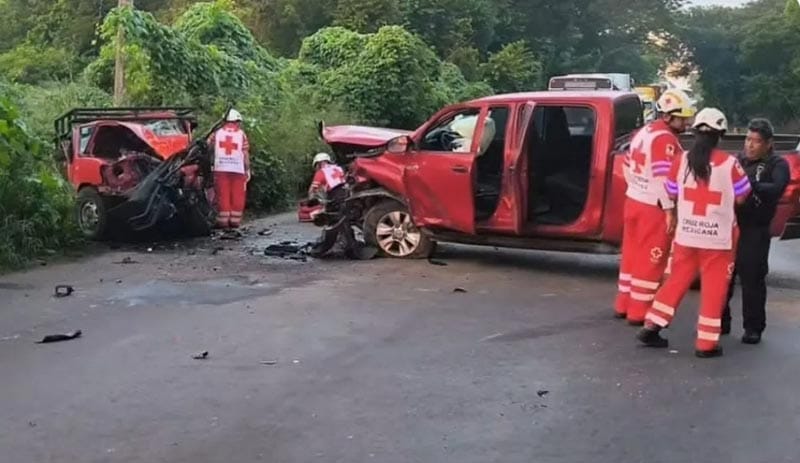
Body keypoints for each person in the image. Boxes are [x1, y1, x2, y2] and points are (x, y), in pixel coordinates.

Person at [637, 108, 751, 358]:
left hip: (686, 235)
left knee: (676, 281)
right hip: (719, 239)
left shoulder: (681, 160)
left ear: (696, 133)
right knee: (714, 289)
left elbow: (670, 191)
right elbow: (743, 196)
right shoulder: (730, 163)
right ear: (720, 135)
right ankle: (706, 344)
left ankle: (652, 325)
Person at [614, 89, 695, 325]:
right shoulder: (665, 140)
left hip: (634, 201)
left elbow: (627, 166)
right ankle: (639, 311)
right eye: (683, 118)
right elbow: (663, 178)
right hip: (653, 208)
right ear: (669, 116)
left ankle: (623, 303)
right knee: (652, 260)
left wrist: (638, 188)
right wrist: (669, 210)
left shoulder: (643, 132)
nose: (687, 123)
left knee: (631, 256)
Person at [723, 119, 789, 344]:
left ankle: (753, 327)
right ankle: (720, 321)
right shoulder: (737, 161)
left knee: (752, 279)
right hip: (731, 226)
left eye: (756, 141)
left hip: (756, 229)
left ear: (768, 143)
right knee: (723, 277)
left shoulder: (776, 164)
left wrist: (748, 184)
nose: (750, 145)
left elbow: (777, 188)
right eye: (748, 139)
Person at [210, 109, 250, 229]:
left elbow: (208, 148)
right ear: (237, 121)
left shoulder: (216, 134)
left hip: (220, 168)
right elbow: (245, 154)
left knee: (222, 195)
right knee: (238, 195)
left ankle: (223, 221)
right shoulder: (241, 134)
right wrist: (247, 169)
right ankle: (235, 221)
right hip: (238, 169)